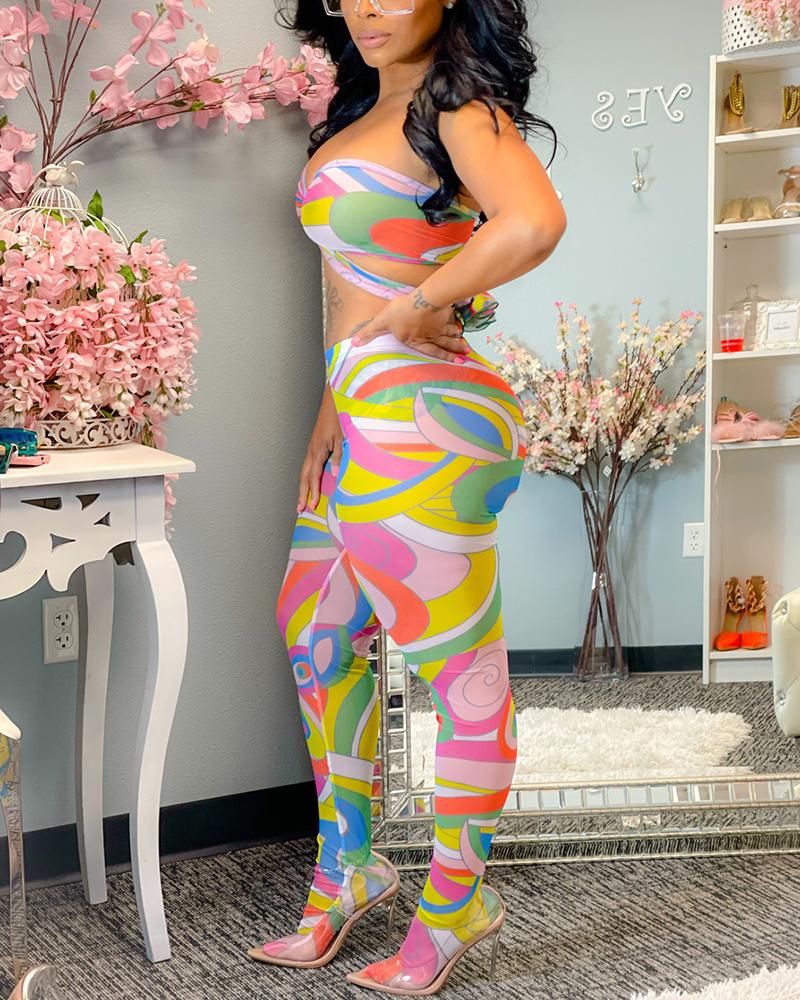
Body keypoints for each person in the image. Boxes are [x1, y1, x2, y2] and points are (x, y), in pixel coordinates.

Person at [248, 0, 566, 993]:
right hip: (361, 413)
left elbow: (534, 221)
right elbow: (349, 287)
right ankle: (348, 868)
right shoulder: (353, 117)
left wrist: (424, 301)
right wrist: (327, 411)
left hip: (426, 421)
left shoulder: (457, 105)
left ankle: (457, 899)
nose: (369, 5)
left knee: (457, 675)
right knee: (313, 629)